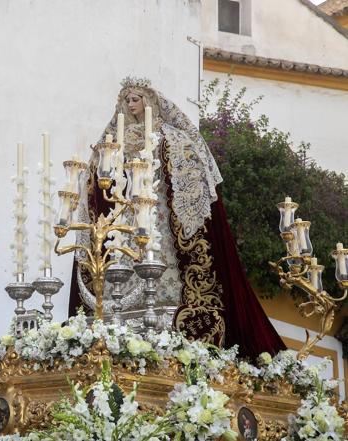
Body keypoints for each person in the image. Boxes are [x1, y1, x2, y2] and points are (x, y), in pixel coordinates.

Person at [69, 77, 286, 360]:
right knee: (127, 253)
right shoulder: (115, 141)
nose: (132, 105)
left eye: (136, 99)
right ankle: (122, 306)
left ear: (150, 101)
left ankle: (163, 303)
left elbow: (185, 164)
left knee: (160, 252)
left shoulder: (169, 135)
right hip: (128, 213)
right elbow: (101, 179)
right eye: (128, 100)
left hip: (157, 210)